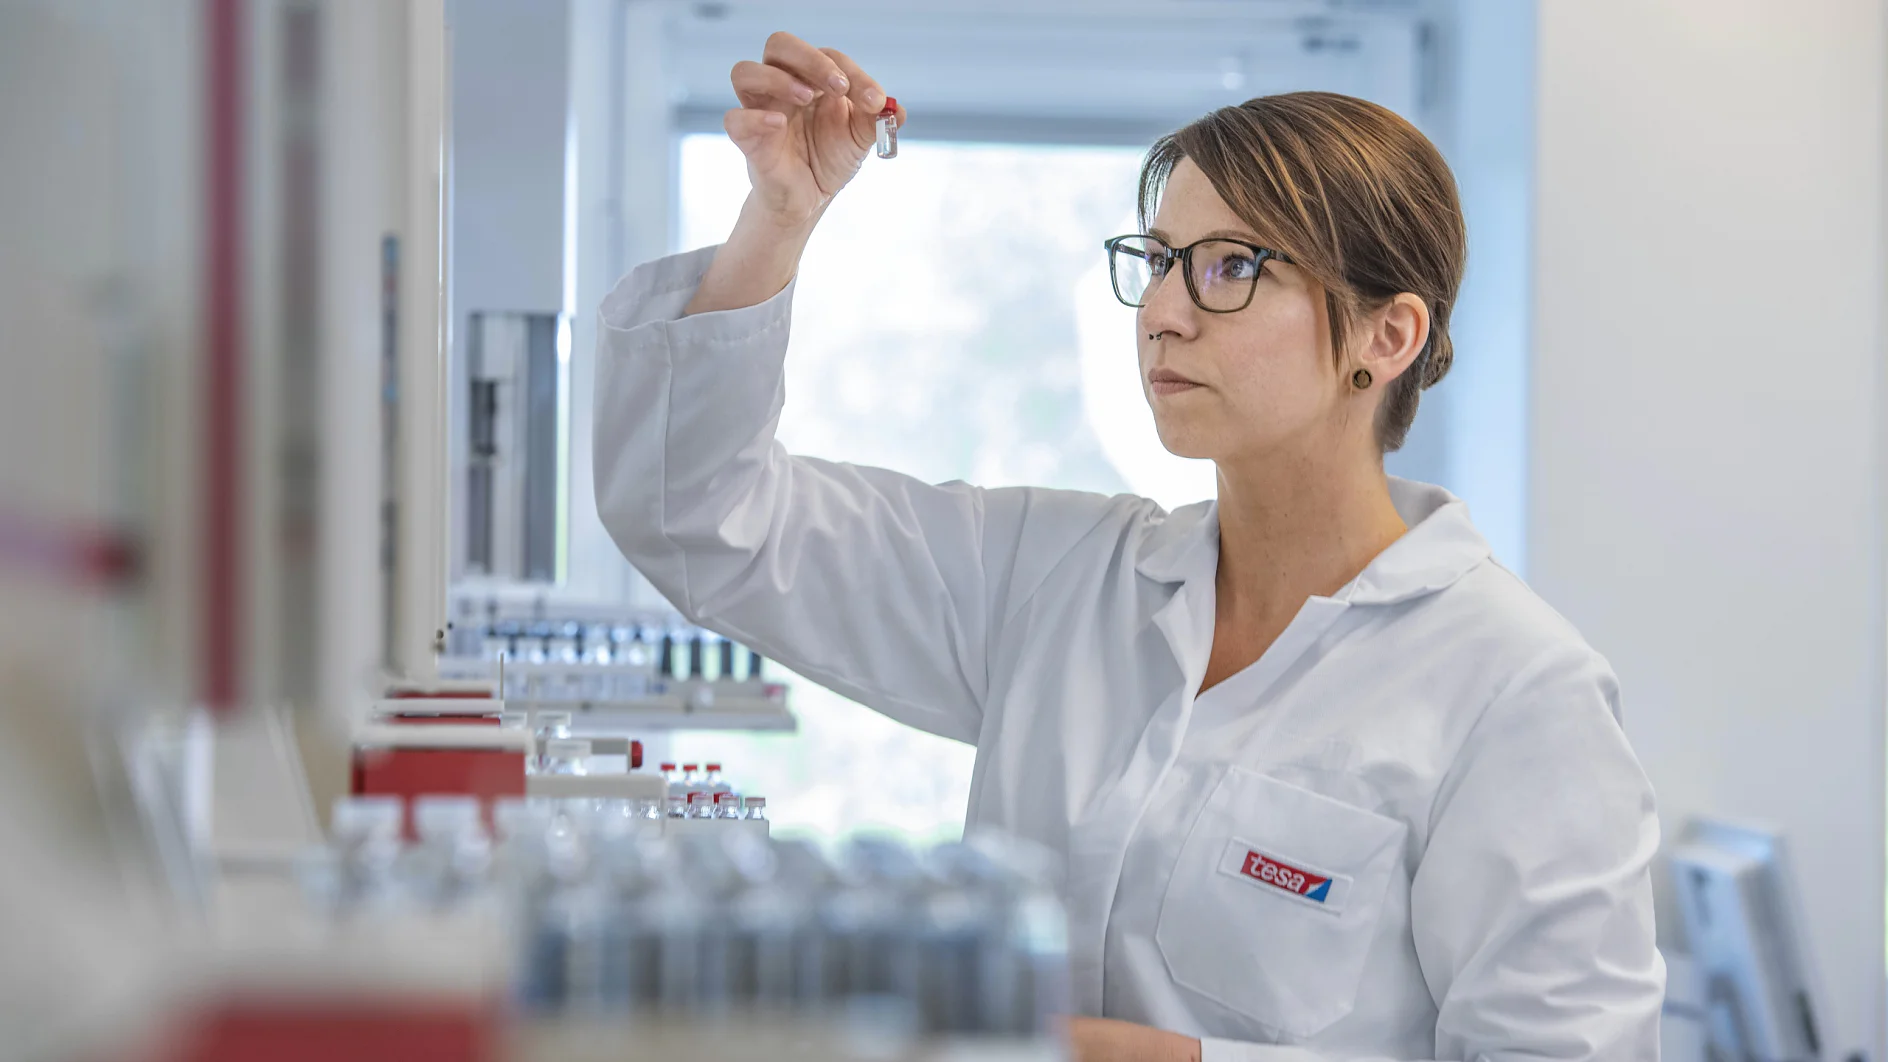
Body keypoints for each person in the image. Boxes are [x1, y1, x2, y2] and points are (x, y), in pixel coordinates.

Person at [593, 31, 1662, 1062]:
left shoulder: (1515, 693)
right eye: (1156, 260)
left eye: (1232, 265)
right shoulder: (1056, 580)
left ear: (1388, 336)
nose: (1160, 311)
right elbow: (695, 511)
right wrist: (778, 216)